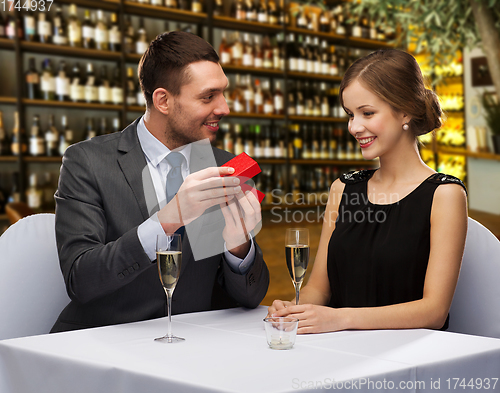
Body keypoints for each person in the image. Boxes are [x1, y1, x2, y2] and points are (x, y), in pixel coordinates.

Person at [51, 31, 269, 333]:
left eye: (223, 93)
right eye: (208, 96)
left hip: (194, 348)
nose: (224, 108)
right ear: (163, 100)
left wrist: (239, 248)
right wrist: (168, 220)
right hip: (103, 346)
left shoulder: (223, 165)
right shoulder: (86, 161)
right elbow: (82, 280)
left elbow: (251, 297)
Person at [268, 49, 468, 334]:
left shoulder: (445, 195)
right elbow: (318, 290)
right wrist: (295, 308)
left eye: (367, 113)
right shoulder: (343, 189)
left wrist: (341, 319)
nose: (354, 127)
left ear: (405, 111)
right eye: (351, 115)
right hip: (338, 351)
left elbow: (433, 311)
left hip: (410, 361)